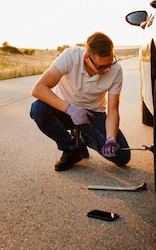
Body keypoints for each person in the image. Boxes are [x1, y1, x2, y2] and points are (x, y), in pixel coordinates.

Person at [30, 32, 131, 171]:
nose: (107, 70)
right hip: (65, 110)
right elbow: (38, 89)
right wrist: (70, 109)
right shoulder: (70, 56)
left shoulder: (116, 70)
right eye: (100, 67)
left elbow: (113, 110)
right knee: (38, 110)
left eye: (110, 63)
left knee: (122, 157)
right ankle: (71, 150)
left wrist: (111, 139)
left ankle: (84, 137)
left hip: (93, 114)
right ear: (86, 58)